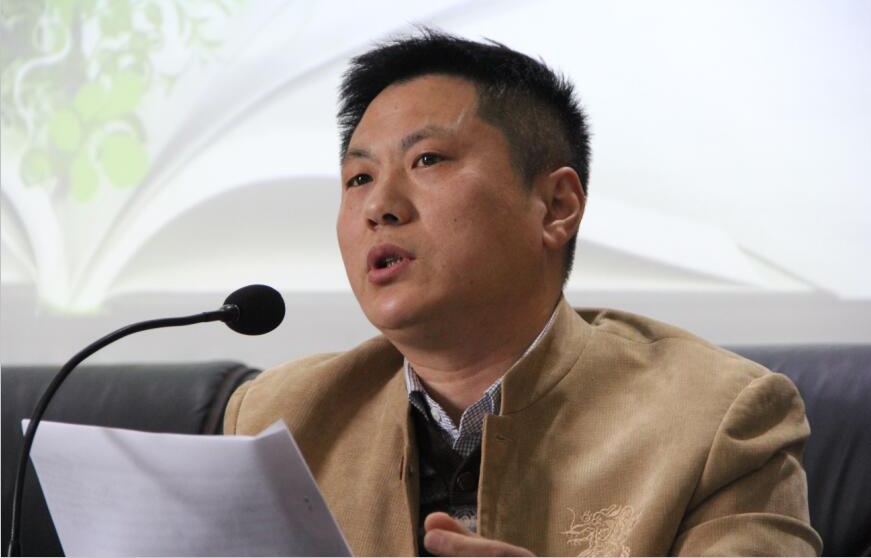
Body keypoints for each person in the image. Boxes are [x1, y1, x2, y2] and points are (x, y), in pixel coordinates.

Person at [224, 30, 821, 556]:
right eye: (359, 177)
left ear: (556, 207)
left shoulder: (717, 420)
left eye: (427, 159)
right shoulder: (279, 419)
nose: (378, 206)